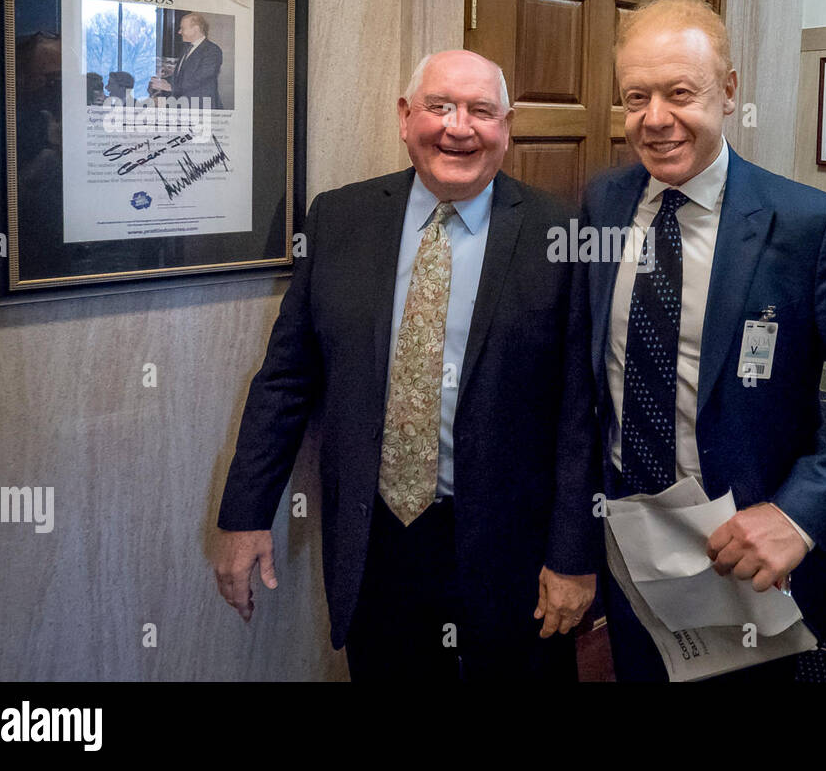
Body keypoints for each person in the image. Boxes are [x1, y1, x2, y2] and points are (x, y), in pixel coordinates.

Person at [213, 50, 601, 681]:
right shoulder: (340, 219)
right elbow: (286, 380)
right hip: (377, 542)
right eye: (440, 106)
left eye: (481, 111)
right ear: (404, 116)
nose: (459, 127)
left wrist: (573, 555)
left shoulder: (561, 234)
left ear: (508, 125)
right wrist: (246, 514)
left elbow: (579, 414)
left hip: (513, 552)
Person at [583, 0, 826, 681]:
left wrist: (798, 515)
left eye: (680, 92)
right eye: (635, 96)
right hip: (629, 541)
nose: (655, 119)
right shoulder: (601, 205)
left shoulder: (807, 225)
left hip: (747, 555)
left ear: (728, 91)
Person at [150, 12, 223, 108]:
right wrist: (164, 81)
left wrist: (171, 87)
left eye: (182, 28)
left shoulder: (212, 50)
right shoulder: (187, 48)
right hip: (185, 105)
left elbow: (200, 78)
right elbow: (181, 75)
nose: (179, 32)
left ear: (196, 29)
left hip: (202, 108)